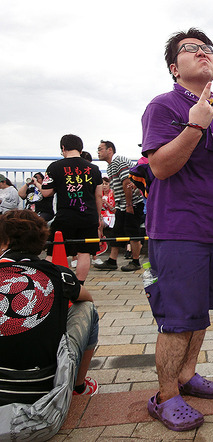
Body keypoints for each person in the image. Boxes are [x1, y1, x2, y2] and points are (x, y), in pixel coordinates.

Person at [141, 28, 213, 432]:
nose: (203, 54)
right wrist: (195, 125)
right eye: (192, 49)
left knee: (200, 314)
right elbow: (161, 167)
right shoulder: (164, 106)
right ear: (174, 66)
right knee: (177, 319)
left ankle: (186, 374)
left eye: (208, 50)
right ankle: (165, 395)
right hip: (178, 230)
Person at [0, 210, 99, 440]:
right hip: (42, 393)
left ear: (5, 241)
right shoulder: (59, 274)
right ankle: (79, 387)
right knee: (87, 310)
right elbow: (87, 299)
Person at [41, 134, 102, 285]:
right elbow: (99, 195)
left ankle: (57, 284)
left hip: (65, 216)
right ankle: (79, 285)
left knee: (54, 250)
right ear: (81, 149)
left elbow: (46, 192)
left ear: (63, 148)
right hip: (88, 217)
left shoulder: (54, 167)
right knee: (84, 252)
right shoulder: (94, 169)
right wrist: (98, 217)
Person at [95, 140, 145, 272]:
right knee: (117, 231)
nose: (98, 152)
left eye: (100, 149)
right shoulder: (111, 166)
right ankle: (112, 260)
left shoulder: (119, 161)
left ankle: (135, 261)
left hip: (132, 203)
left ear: (109, 150)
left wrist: (129, 205)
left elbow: (127, 183)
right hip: (123, 204)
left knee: (132, 232)